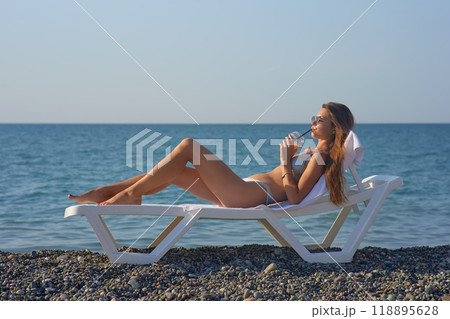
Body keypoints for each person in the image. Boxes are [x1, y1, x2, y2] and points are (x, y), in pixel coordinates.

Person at [69, 102, 354, 208]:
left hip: (251, 195)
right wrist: (293, 155)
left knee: (190, 146)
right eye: (314, 117)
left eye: (319, 118)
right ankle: (105, 192)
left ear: (334, 127)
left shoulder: (321, 157)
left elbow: (294, 198)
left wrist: (284, 160)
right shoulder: (312, 151)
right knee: (178, 171)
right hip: (244, 190)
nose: (313, 121)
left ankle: (128, 196)